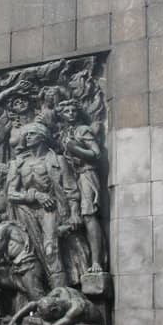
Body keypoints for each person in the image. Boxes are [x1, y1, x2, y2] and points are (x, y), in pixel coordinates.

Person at [6, 122, 84, 287]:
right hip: (25, 212)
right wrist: (34, 195)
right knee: (32, 256)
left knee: (50, 250)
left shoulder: (58, 160)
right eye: (26, 135)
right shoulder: (18, 163)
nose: (27, 137)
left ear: (42, 137)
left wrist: (75, 213)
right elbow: (11, 194)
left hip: (51, 210)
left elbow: (71, 190)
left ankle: (60, 294)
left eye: (32, 134)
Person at [56, 98, 105, 272]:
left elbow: (96, 154)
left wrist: (75, 148)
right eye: (66, 111)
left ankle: (96, 262)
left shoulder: (82, 130)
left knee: (89, 215)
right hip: (71, 176)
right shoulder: (63, 133)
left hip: (87, 173)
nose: (70, 114)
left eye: (73, 111)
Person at [6, 286, 101, 325]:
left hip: (95, 320)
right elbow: (34, 304)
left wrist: (40, 321)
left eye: (48, 317)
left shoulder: (75, 308)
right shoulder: (59, 291)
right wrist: (14, 319)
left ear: (55, 310)